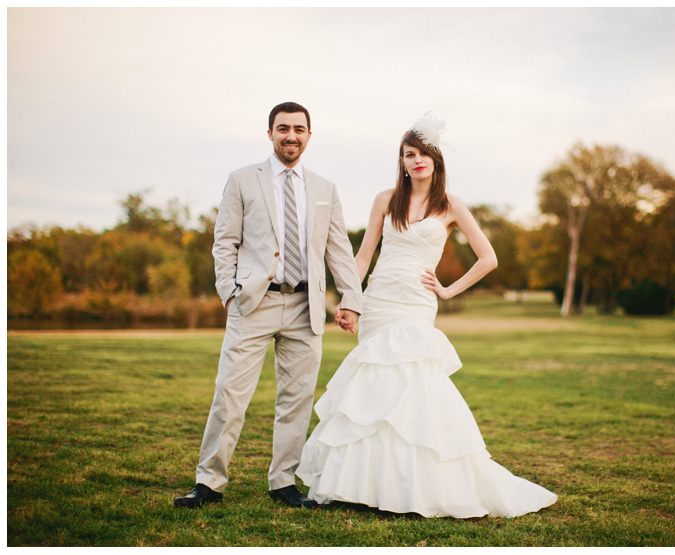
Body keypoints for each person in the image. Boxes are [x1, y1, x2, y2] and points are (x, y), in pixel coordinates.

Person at [295, 115, 558, 518]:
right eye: (408, 154)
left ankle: (419, 485)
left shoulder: (451, 205)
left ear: (435, 159)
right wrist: (350, 299)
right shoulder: (386, 199)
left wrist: (449, 290)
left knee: (415, 384)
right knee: (376, 385)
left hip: (417, 304)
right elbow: (364, 255)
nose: (416, 160)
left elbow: (489, 258)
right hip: (380, 299)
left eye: (422, 154)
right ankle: (364, 485)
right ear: (401, 161)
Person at [175, 102, 363, 509]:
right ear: (270, 134)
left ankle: (283, 483)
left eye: (298, 129)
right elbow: (225, 240)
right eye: (283, 129)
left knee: (296, 400)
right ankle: (209, 482)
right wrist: (229, 290)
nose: (291, 136)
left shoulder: (325, 188)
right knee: (229, 395)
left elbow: (338, 249)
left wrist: (351, 298)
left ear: (309, 135)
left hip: (305, 306)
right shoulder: (242, 179)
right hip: (253, 303)